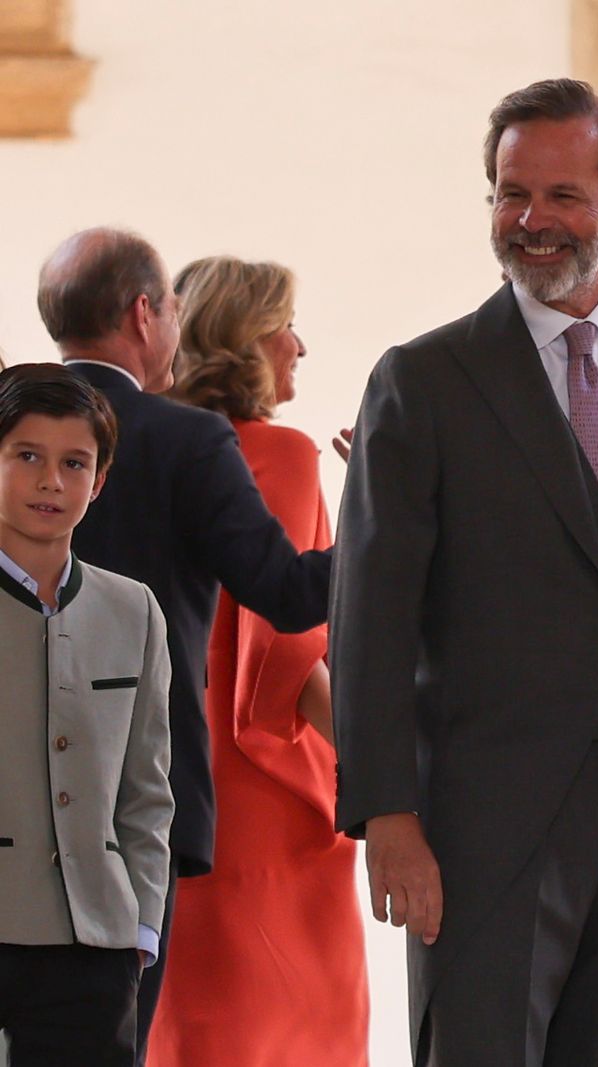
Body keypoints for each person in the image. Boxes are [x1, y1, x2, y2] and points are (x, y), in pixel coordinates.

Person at [331, 77, 598, 1065]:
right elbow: (371, 614)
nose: (528, 220)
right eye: (509, 193)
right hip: (482, 819)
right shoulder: (425, 380)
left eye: (560, 195)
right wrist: (388, 811)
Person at [35, 228, 334, 1059]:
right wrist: (398, 523)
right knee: (111, 1037)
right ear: (143, 314)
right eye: (170, 303)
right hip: (135, 798)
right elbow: (285, 591)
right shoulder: (186, 441)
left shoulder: (9, 431)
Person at [145, 257, 368, 1066]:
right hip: (268, 801)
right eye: (285, 324)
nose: (298, 343)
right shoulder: (284, 454)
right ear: (246, 339)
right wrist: (395, 778)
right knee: (292, 1028)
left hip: (169, 780)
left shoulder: (152, 449)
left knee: (193, 1025)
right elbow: (291, 659)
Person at [0, 363, 174, 1066]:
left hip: (94, 943)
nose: (51, 481)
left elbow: (148, 788)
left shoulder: (133, 609)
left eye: (74, 462)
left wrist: (140, 925)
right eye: (27, 456)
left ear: (98, 480)